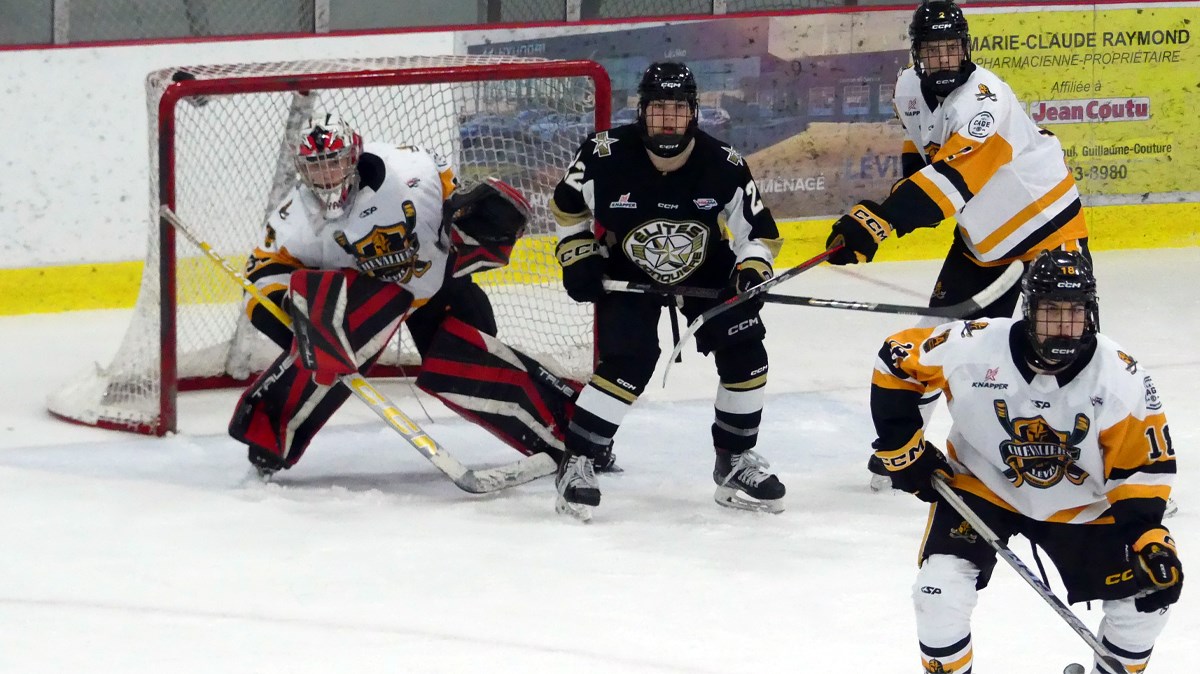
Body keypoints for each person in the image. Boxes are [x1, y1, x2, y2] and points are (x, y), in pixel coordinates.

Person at [869, 250, 1181, 673]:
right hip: (983, 487)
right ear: (1029, 310)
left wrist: (1149, 537)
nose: (1064, 326)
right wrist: (903, 449)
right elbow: (896, 359)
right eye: (1052, 311)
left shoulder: (1119, 377)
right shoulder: (975, 345)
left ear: (1091, 314)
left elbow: (1141, 468)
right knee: (937, 594)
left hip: (1084, 505)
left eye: (1074, 312)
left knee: (1147, 604)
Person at [231, 112, 558, 477]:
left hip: (436, 282)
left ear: (354, 155)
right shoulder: (295, 218)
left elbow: (453, 198)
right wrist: (295, 313)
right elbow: (260, 273)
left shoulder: (411, 170)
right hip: (370, 299)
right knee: (327, 344)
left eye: (334, 162)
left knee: (470, 363)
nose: (326, 174)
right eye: (315, 166)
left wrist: (472, 216)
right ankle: (270, 433)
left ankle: (565, 434)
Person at [548, 61, 785, 521]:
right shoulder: (602, 155)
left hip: (706, 267)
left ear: (693, 112)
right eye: (659, 109)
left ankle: (734, 460)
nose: (668, 120)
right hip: (624, 266)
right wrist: (577, 255)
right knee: (629, 361)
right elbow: (567, 208)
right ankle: (578, 459)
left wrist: (753, 267)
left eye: (678, 109)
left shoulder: (723, 164)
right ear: (642, 111)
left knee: (746, 353)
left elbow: (759, 232)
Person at [826, 0, 1090, 316]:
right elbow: (919, 138)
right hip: (982, 241)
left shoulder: (984, 102)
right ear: (917, 53)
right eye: (932, 50)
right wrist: (907, 201)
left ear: (965, 49)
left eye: (951, 48)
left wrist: (881, 220)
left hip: (1048, 230)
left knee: (1065, 342)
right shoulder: (907, 88)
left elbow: (954, 179)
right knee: (946, 339)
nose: (943, 59)